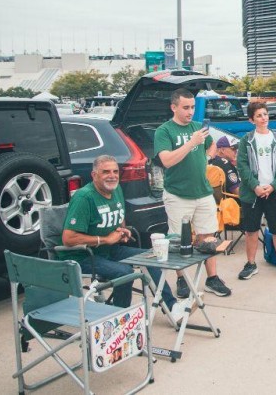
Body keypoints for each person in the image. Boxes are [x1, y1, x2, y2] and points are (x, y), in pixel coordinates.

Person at [58, 155, 183, 319]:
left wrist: (122, 231)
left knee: (151, 257)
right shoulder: (84, 198)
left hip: (111, 249)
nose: (112, 175)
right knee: (125, 272)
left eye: (115, 171)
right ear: (94, 175)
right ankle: (118, 319)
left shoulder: (115, 189)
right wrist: (104, 240)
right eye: (106, 172)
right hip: (83, 256)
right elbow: (68, 238)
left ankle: (171, 306)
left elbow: (119, 214)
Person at [154, 88, 232, 298]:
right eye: (185, 107)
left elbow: (212, 144)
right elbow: (166, 161)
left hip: (203, 192)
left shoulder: (198, 127)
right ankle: (181, 279)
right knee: (179, 239)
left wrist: (206, 157)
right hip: (177, 194)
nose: (190, 112)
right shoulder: (164, 131)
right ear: (174, 107)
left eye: (192, 107)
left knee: (208, 236)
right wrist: (191, 143)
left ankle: (212, 278)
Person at [235, 102, 276, 280]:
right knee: (251, 230)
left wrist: (274, 185)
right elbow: (242, 166)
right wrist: (255, 186)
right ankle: (251, 264)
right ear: (251, 120)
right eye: (259, 115)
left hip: (274, 191)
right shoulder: (246, 140)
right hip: (252, 193)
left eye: (265, 114)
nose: (263, 118)